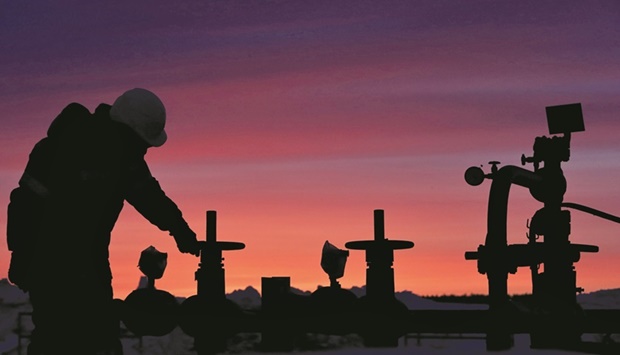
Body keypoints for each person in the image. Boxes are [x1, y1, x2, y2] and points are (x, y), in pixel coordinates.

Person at [6, 88, 200, 355]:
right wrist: (21, 253)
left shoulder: (125, 159)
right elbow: (25, 204)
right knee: (56, 339)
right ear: (128, 131)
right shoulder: (63, 147)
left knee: (100, 340)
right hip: (49, 263)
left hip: (90, 262)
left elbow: (149, 196)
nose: (145, 149)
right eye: (143, 141)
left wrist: (179, 228)